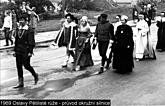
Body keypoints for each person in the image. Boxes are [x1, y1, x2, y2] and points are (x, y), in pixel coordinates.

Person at [13, 16, 38, 88]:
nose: (21, 21)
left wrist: (30, 51)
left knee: (26, 65)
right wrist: (15, 50)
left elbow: (31, 41)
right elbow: (16, 41)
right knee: (19, 66)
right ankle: (20, 82)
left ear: (26, 21)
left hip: (26, 50)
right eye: (20, 20)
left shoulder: (29, 30)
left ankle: (34, 74)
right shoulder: (19, 29)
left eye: (22, 20)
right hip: (18, 50)